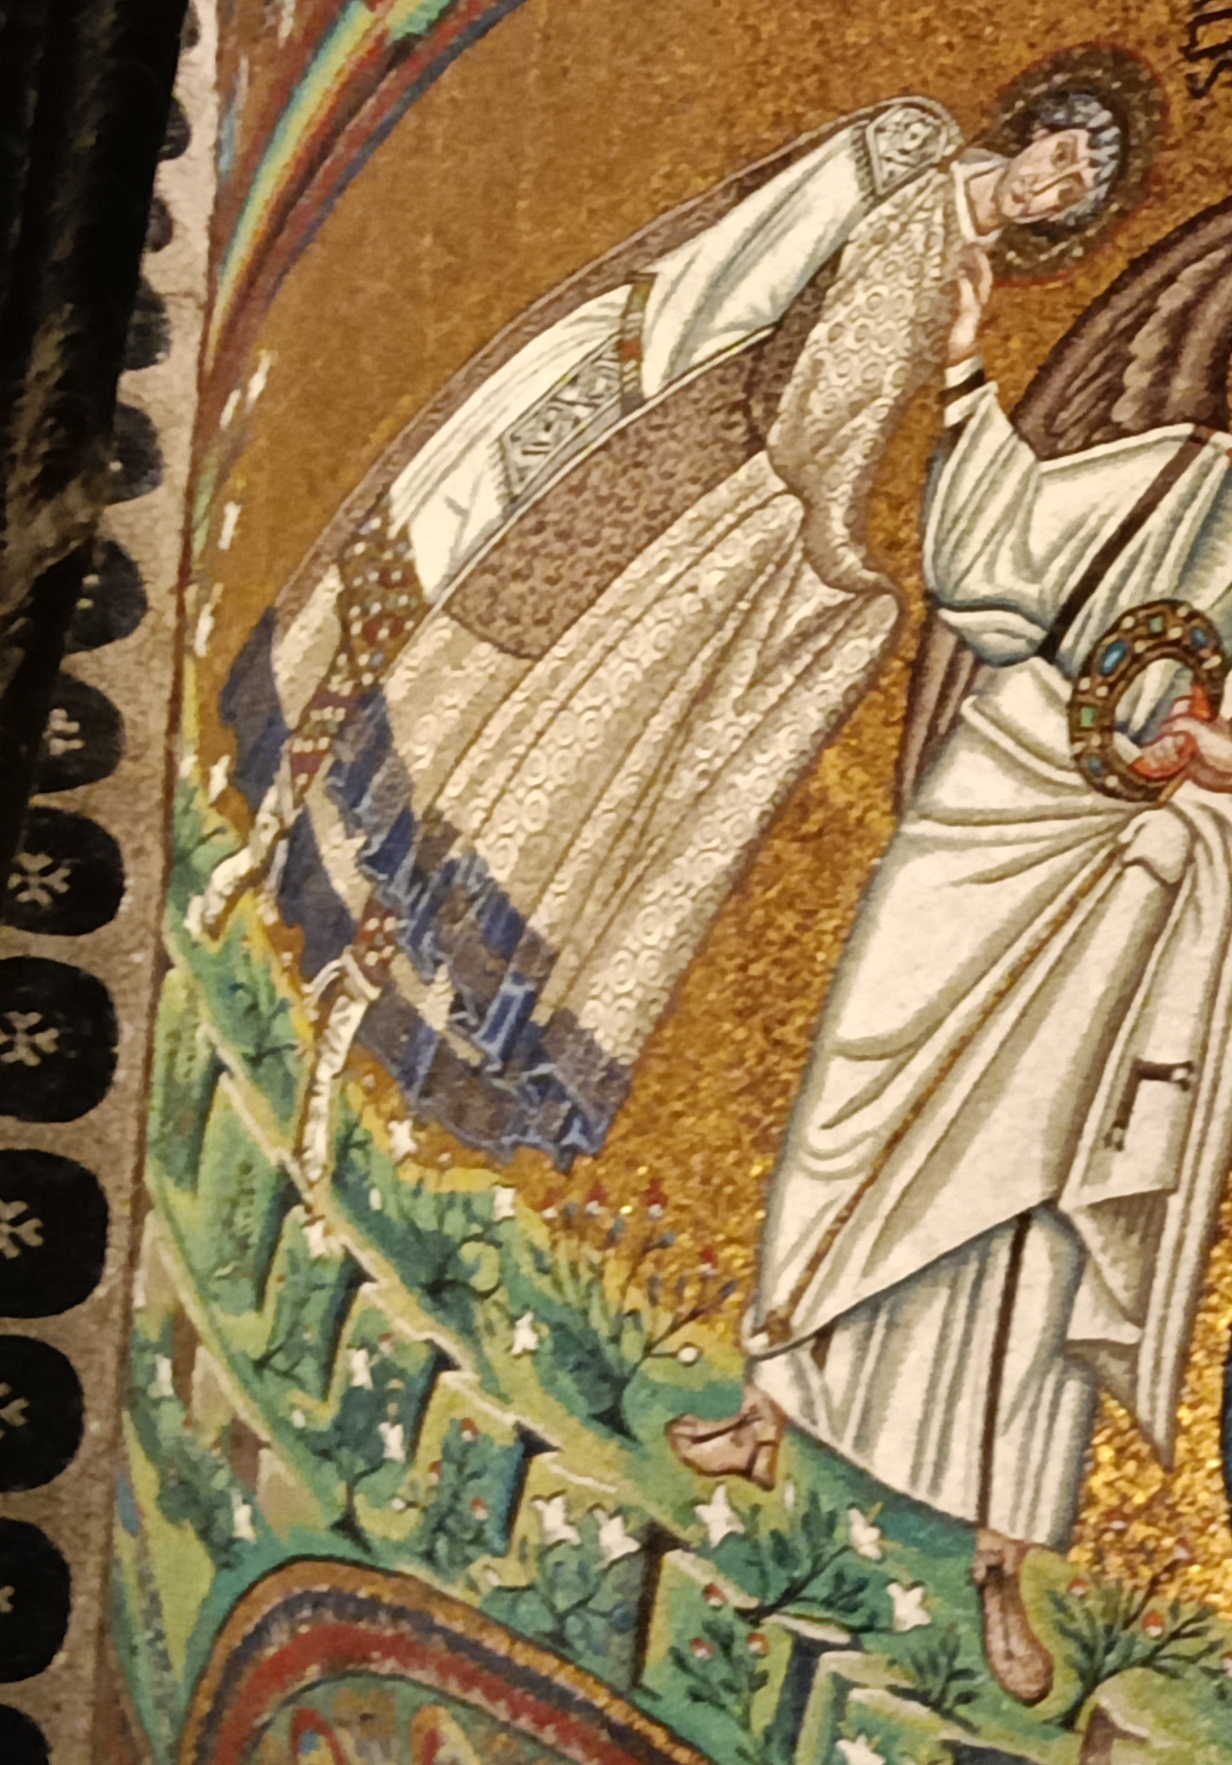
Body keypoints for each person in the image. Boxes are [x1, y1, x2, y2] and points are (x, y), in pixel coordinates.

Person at [668, 300, 1232, 1702]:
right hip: (1005, 801)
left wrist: (1222, 783)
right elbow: (1002, 544)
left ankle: (1002, 1557)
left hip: (1143, 888)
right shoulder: (1173, 464)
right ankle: (768, 1401)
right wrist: (962, 367)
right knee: (863, 1086)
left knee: (1047, 1196)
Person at [197, 68, 1144, 1172]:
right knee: (431, 598)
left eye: (1074, 195)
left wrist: (864, 495)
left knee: (511, 741)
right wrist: (784, 492)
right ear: (1037, 128)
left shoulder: (963, 282)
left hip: (718, 514)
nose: (1052, 187)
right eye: (1063, 158)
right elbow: (752, 276)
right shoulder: (908, 149)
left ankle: (348, 998)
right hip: (651, 417)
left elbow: (862, 433)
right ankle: (263, 838)